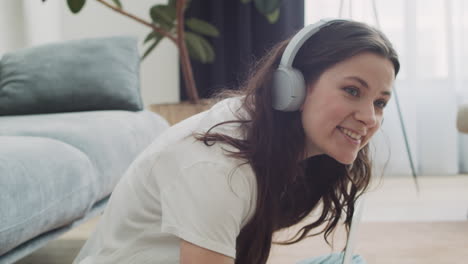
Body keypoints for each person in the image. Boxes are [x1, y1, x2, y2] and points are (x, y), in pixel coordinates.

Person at [73, 19, 399, 264]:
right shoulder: (219, 167)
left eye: (380, 102)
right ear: (292, 88)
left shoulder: (262, 130)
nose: (370, 118)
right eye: (352, 91)